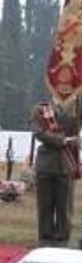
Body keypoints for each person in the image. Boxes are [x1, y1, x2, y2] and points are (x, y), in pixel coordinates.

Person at [31, 96, 81, 247]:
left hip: (67, 163)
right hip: (46, 164)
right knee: (45, 206)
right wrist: (64, 140)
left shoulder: (77, 106)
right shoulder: (41, 108)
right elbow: (39, 133)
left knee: (64, 207)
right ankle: (45, 241)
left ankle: (62, 242)